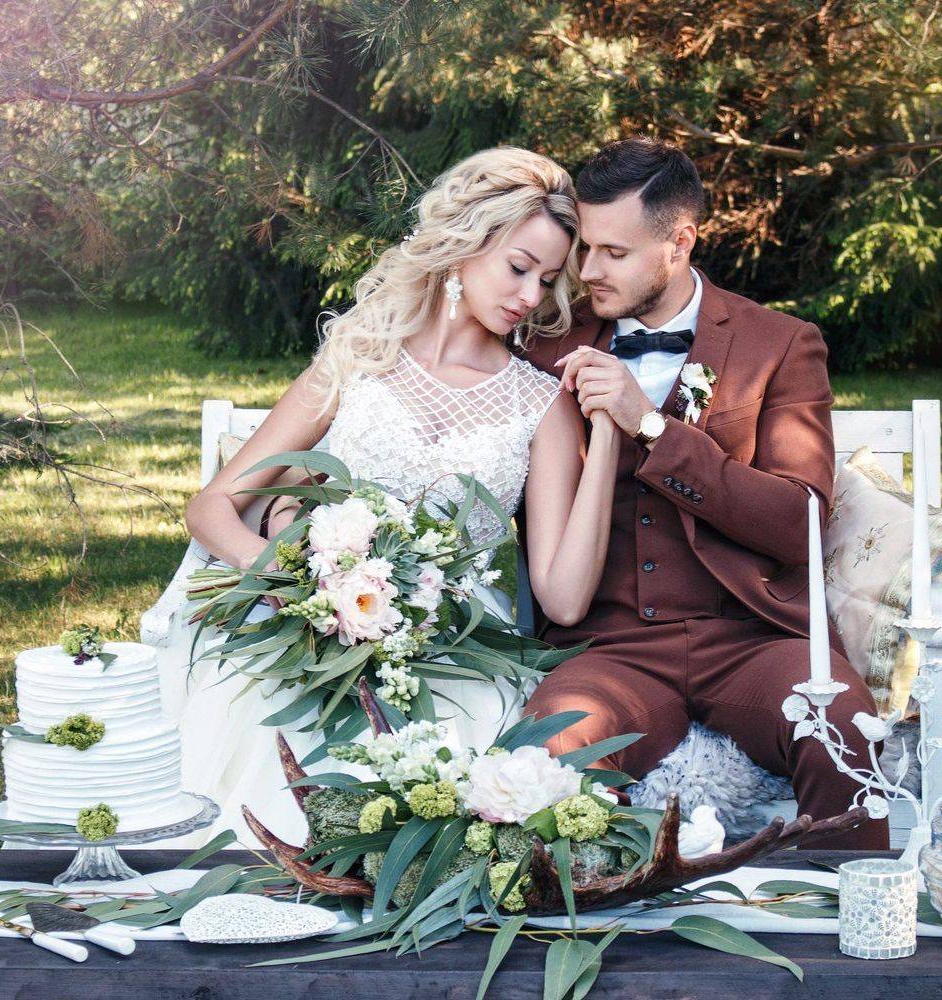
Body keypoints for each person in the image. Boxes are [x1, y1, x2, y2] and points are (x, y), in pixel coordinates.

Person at [174, 148, 621, 843]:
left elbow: (562, 599)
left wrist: (609, 433)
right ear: (463, 246)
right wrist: (294, 583)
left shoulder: (540, 405)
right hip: (316, 633)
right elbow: (211, 506)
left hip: (452, 659)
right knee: (266, 760)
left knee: (435, 816)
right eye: (518, 267)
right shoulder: (361, 356)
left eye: (547, 279)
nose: (531, 296)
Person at [519, 138, 888, 849]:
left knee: (840, 724)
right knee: (550, 747)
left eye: (614, 253)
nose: (588, 271)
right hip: (612, 649)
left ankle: (853, 907)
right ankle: (600, 910)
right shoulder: (546, 347)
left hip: (754, 639)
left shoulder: (777, 345)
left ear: (680, 242)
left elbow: (800, 523)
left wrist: (653, 427)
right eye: (585, 248)